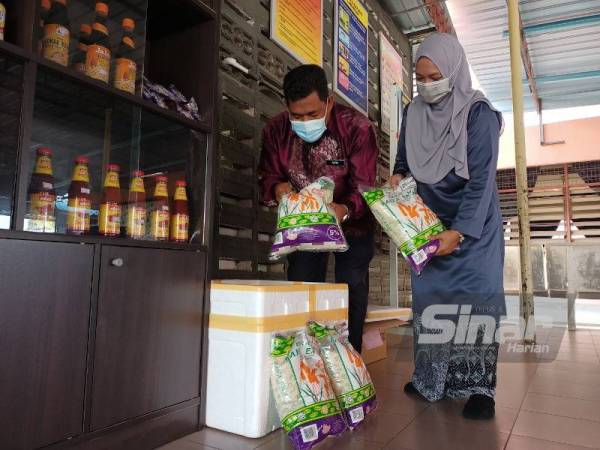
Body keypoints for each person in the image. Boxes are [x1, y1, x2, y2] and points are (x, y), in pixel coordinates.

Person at [390, 33, 505, 420]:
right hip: (430, 221)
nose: (426, 86)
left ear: (453, 72)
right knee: (433, 300)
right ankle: (432, 380)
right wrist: (398, 176)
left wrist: (460, 232)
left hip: (474, 224)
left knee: (475, 302)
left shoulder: (479, 114)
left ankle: (478, 389)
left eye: (434, 77)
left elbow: (481, 180)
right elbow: (404, 158)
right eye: (420, 78)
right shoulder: (414, 111)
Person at [259, 64, 378, 352]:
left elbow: (364, 188)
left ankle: (350, 361)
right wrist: (278, 189)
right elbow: (269, 174)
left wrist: (342, 210)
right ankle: (308, 360)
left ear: (329, 102)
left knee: (349, 285)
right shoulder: (276, 130)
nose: (304, 121)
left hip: (353, 223)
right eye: (297, 116)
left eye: (312, 114)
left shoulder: (357, 128)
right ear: (287, 108)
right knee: (303, 285)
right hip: (305, 226)